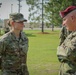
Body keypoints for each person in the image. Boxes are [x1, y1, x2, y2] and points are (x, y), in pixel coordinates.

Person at [57, 6, 76, 75]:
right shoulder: (72, 34)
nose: (63, 23)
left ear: (72, 18)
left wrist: (61, 49)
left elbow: (69, 53)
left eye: (64, 19)